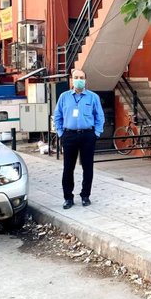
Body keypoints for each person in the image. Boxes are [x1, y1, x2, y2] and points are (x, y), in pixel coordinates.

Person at [53, 69, 105, 209]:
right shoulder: (64, 97)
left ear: (86, 80)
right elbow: (57, 116)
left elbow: (99, 116)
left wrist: (97, 133)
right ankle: (68, 198)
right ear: (71, 79)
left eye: (81, 77)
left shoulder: (93, 97)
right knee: (68, 168)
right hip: (69, 135)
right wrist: (60, 133)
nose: (79, 79)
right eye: (76, 77)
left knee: (88, 167)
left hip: (88, 135)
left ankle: (85, 196)